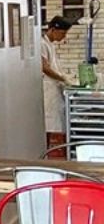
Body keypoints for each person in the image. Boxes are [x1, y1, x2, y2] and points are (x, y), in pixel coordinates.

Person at [42, 15, 76, 152]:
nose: (64, 37)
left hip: (54, 87)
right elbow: (44, 68)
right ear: (52, 30)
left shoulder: (50, 44)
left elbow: (53, 65)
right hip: (47, 89)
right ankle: (45, 152)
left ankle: (48, 151)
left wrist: (65, 76)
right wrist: (62, 78)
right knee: (47, 123)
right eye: (62, 33)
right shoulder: (42, 44)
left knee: (53, 123)